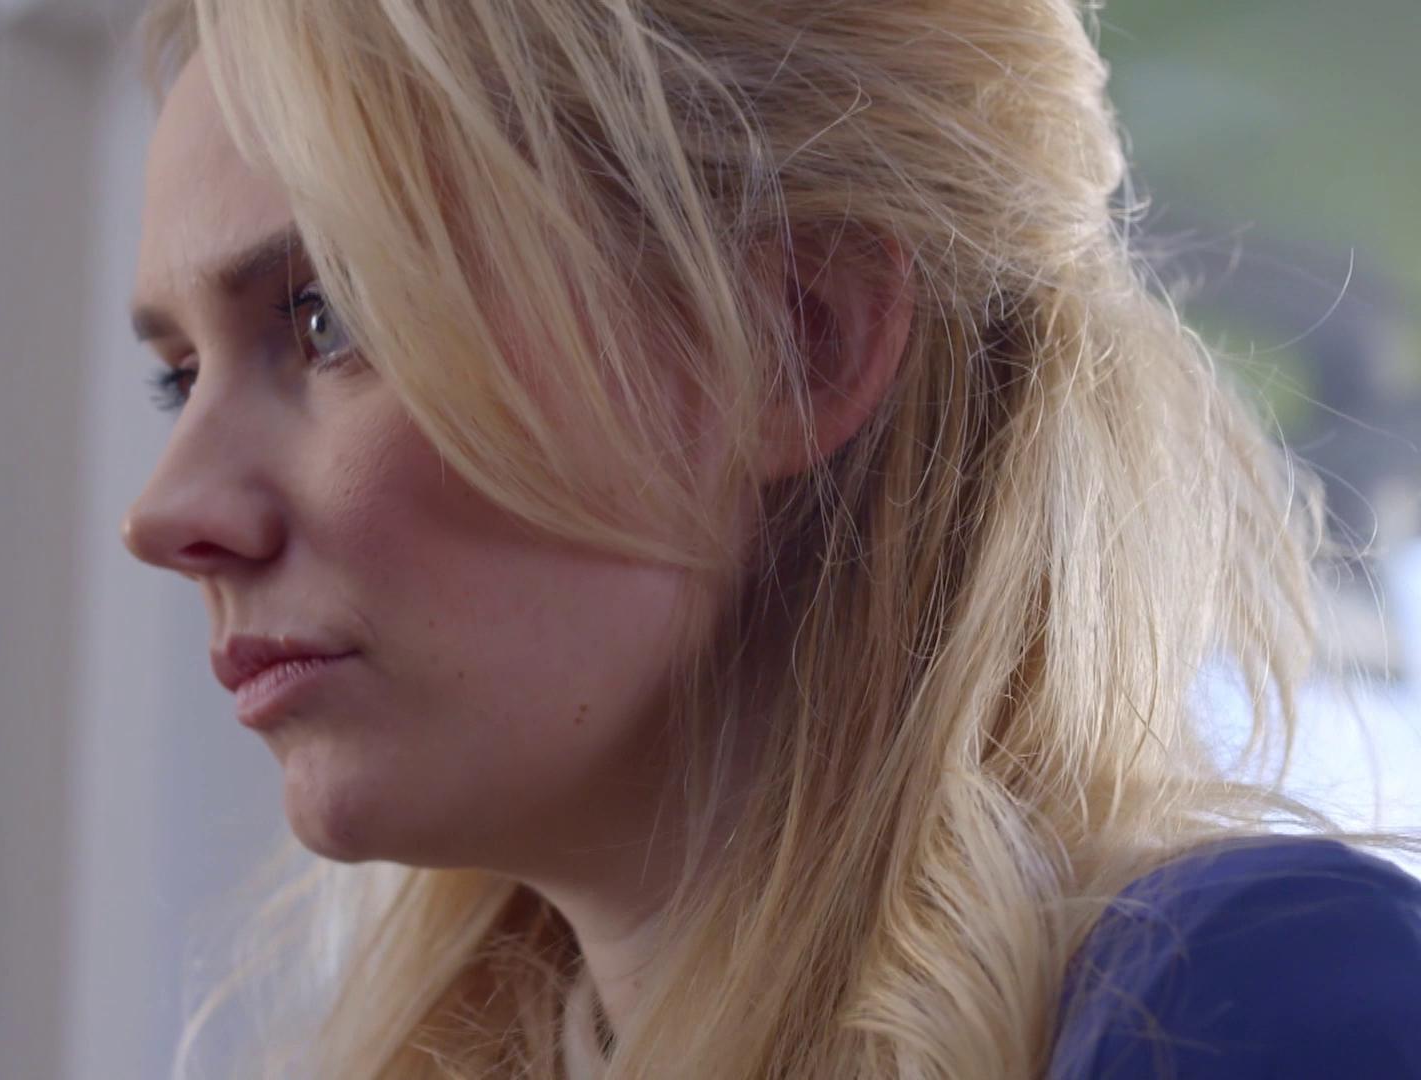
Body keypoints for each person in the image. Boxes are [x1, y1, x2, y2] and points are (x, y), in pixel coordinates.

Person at [116, 1, 1421, 1076]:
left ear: (797, 341)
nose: (167, 515)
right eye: (180, 376)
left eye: (332, 318)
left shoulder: (1242, 1008)